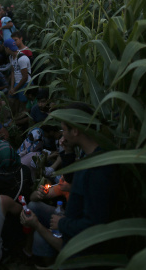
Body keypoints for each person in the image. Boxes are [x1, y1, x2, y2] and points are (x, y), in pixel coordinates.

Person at [21, 102, 118, 262]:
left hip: (77, 239)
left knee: (39, 235)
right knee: (34, 206)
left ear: (75, 131)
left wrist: (62, 223)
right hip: (70, 221)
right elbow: (74, 181)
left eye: (64, 130)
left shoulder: (98, 171)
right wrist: (67, 152)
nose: (62, 136)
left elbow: (94, 225)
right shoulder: (89, 156)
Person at [4, 38, 32, 114]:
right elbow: (13, 72)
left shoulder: (22, 58)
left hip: (25, 83)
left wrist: (15, 88)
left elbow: (25, 77)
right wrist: (12, 87)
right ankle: (14, 117)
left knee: (24, 105)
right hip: (17, 82)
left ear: (7, 48)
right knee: (12, 100)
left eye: (5, 48)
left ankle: (23, 121)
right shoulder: (11, 57)